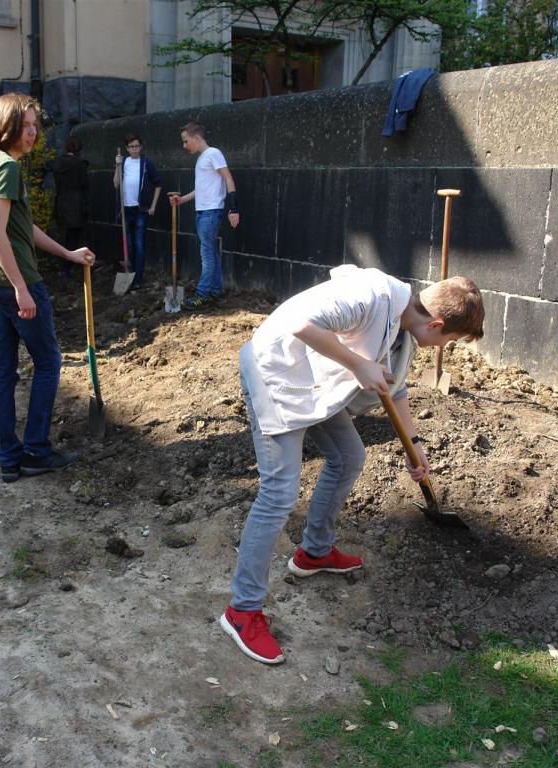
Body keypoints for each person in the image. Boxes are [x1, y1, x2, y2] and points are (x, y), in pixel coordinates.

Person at [219, 266, 485, 665]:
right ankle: (242, 612)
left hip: (313, 384)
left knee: (349, 457)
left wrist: (414, 446)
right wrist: (359, 365)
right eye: (451, 340)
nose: (444, 347)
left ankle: (314, 553)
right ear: (436, 324)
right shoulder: (371, 296)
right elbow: (298, 322)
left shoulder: (404, 331)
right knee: (279, 495)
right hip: (275, 373)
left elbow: (396, 389)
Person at [0, 92, 95, 484]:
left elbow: (21, 227)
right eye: (24, 126)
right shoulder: (7, 167)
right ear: (6, 126)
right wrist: (21, 289)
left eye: (34, 125)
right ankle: (36, 452)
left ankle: (9, 460)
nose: (32, 133)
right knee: (48, 363)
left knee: (3, 373)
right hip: (15, 283)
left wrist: (67, 253)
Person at [168, 122, 239, 309]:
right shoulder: (202, 159)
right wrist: (182, 199)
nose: (184, 145)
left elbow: (228, 178)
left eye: (186, 141)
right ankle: (216, 291)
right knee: (211, 253)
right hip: (203, 213)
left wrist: (234, 208)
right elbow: (201, 188)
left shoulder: (213, 153)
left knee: (206, 254)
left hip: (211, 213)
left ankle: (202, 294)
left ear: (197, 137)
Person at [112, 133, 161, 290]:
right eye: (131, 147)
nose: (134, 149)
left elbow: (158, 184)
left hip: (140, 209)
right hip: (125, 209)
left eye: (137, 146)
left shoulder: (146, 163)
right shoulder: (123, 162)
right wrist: (117, 166)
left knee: (139, 244)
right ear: (127, 148)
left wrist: (153, 206)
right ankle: (130, 274)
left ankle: (138, 279)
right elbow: (116, 184)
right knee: (129, 244)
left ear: (141, 147)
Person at [52, 135, 89, 277]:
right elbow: (85, 184)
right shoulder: (80, 165)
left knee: (63, 236)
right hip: (76, 204)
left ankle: (63, 267)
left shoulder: (57, 164)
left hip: (61, 202)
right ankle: (70, 266)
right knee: (74, 237)